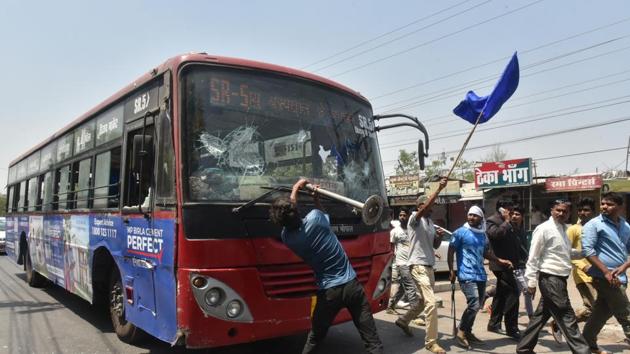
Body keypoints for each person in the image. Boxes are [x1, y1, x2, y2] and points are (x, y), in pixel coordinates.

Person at [269, 179, 383, 354]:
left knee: (315, 338)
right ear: (296, 210)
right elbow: (319, 212)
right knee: (372, 341)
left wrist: (294, 191)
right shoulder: (316, 218)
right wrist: (308, 194)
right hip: (353, 287)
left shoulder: (287, 238)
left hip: (329, 293)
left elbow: (289, 210)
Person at [516, 199, 590, 354]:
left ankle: (524, 348)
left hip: (560, 278)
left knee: (541, 316)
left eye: (565, 211)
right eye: (558, 210)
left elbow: (567, 253)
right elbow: (533, 257)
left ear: (569, 213)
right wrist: (531, 282)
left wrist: (586, 253)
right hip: (550, 278)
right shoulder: (544, 229)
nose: (561, 213)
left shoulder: (564, 229)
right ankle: (582, 351)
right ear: (552, 210)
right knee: (566, 315)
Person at [394, 177, 447, 354]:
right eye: (429, 204)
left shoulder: (430, 223)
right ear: (421, 206)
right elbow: (424, 209)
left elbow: (435, 245)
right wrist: (438, 190)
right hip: (417, 265)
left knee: (424, 301)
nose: (432, 206)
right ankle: (431, 342)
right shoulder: (413, 220)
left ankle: (403, 320)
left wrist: (438, 236)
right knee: (432, 302)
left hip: (429, 265)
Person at [448, 205, 514, 349]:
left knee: (478, 305)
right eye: (469, 215)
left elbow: (485, 253)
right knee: (474, 304)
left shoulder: (482, 234)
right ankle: (461, 332)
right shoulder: (460, 232)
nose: (471, 217)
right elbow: (451, 249)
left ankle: (468, 332)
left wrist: (499, 260)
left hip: (480, 275)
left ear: (481, 218)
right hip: (466, 274)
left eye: (474, 215)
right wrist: (451, 270)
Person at [581, 192, 630, 354]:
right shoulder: (593, 225)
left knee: (603, 311)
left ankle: (587, 340)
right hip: (604, 277)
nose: (604, 207)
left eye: (609, 204)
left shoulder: (626, 226)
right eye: (603, 203)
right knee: (625, 313)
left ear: (620, 207)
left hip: (620, 276)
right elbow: (588, 250)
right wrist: (606, 271)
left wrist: (624, 267)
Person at [486, 199, 522, 340]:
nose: (511, 213)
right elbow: (495, 235)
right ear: (501, 209)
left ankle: (493, 323)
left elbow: (515, 242)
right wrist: (506, 222)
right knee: (513, 293)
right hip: (500, 265)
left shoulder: (509, 222)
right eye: (509, 210)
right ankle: (511, 327)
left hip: (512, 263)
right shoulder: (492, 221)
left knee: (501, 294)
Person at [567, 198, 597, 323]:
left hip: (599, 271)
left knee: (600, 307)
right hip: (583, 274)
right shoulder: (573, 229)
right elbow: (566, 252)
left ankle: (565, 322)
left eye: (586, 210)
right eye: (580, 210)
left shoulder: (598, 227)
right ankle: (566, 322)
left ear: (594, 212)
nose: (582, 213)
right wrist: (583, 266)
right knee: (593, 305)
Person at [386, 208, 419, 315]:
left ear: (409, 216)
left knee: (403, 288)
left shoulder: (412, 229)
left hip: (412, 262)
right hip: (401, 263)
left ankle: (390, 306)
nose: (402, 217)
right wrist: (392, 262)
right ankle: (414, 314)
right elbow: (391, 248)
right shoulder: (395, 231)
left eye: (404, 215)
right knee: (411, 287)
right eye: (400, 215)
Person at [511, 205, 535, 319]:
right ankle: (531, 316)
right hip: (513, 267)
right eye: (513, 214)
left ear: (522, 217)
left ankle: (531, 316)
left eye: (517, 214)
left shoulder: (523, 231)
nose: (514, 216)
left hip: (524, 265)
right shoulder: (509, 229)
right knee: (526, 290)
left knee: (521, 291)